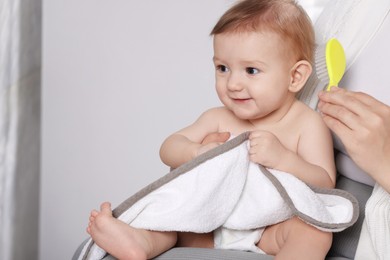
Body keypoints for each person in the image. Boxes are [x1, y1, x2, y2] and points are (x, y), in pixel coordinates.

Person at [86, 0, 336, 259]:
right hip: (206, 226)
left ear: (295, 77)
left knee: (314, 230)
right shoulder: (217, 118)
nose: (233, 84)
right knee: (167, 218)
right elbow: (169, 147)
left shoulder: (306, 123)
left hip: (269, 230)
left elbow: (325, 182)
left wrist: (285, 159)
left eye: (251, 70)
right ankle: (139, 242)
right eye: (223, 68)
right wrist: (196, 151)